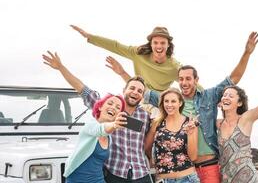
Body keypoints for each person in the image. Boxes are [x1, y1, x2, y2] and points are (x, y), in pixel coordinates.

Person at [143, 32, 258, 183]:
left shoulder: (209, 96)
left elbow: (234, 78)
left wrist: (247, 53)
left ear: (196, 80)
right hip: (184, 169)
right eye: (180, 79)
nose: (184, 83)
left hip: (209, 166)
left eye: (188, 79)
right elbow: (140, 92)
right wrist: (121, 72)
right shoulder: (172, 100)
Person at [42, 51, 153, 183]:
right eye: (132, 88)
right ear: (124, 90)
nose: (135, 92)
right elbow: (82, 88)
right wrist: (61, 67)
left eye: (140, 91)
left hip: (140, 173)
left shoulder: (145, 116)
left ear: (142, 97)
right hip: (115, 172)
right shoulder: (108, 107)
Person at [70, 25, 203, 92]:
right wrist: (90, 37)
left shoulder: (173, 66)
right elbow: (116, 46)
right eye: (155, 42)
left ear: (168, 45)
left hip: (158, 100)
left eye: (163, 43)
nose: (159, 46)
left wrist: (212, 97)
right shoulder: (138, 53)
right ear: (151, 44)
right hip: (139, 93)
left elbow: (191, 82)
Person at [145, 88, 200, 183]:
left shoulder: (190, 123)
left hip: (187, 179)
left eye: (173, 101)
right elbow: (146, 147)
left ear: (180, 103)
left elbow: (193, 157)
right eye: (166, 101)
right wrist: (153, 160)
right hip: (163, 180)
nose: (169, 105)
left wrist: (190, 133)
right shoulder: (157, 123)